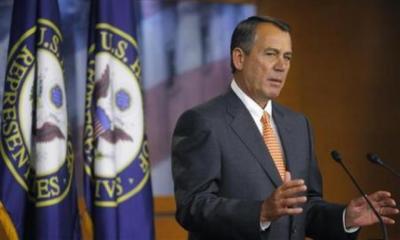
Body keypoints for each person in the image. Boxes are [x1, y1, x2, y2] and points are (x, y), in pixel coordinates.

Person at [171, 16, 398, 240]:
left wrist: (345, 218)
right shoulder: (203, 121)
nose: (282, 66)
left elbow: (305, 208)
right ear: (239, 58)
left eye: (287, 57)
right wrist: (260, 212)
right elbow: (192, 206)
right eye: (271, 54)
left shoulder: (298, 125)